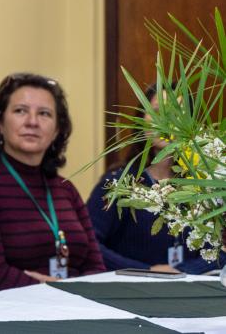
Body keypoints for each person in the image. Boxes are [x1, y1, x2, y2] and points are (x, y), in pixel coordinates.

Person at [0, 73, 105, 294]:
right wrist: (61, 290)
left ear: (57, 131)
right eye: (20, 111)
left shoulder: (65, 188)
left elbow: (96, 267)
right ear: (0, 124)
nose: (32, 122)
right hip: (6, 315)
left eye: (44, 114)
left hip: (74, 308)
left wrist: (64, 292)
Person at [86, 84, 221, 274]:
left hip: (194, 293)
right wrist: (148, 271)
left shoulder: (208, 183)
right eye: (157, 111)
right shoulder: (119, 182)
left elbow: (221, 250)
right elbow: (89, 244)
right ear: (141, 120)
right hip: (131, 293)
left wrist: (184, 271)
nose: (165, 121)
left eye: (176, 113)